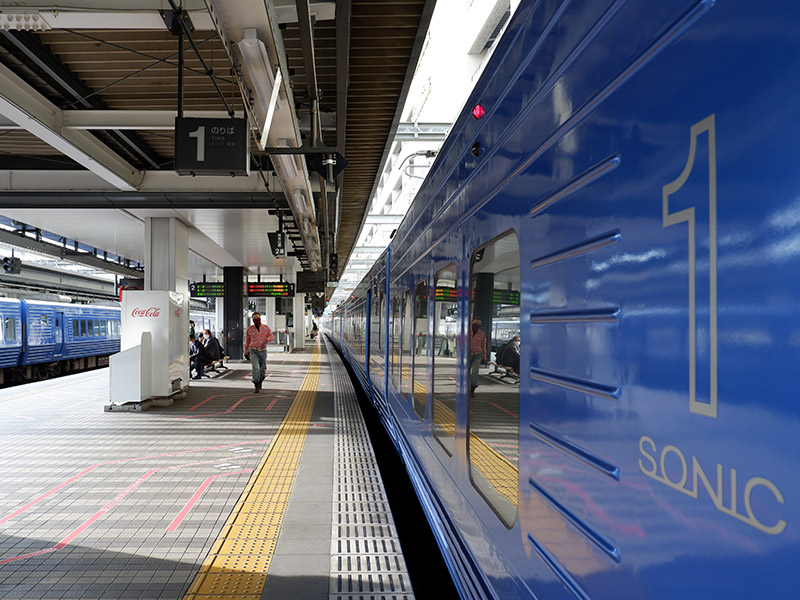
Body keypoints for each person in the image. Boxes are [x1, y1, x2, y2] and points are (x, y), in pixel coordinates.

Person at [244, 312, 274, 393]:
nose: (256, 321)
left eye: (257, 319)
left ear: (260, 319)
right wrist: (245, 351)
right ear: (252, 320)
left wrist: (268, 339)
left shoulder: (265, 328)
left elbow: (271, 336)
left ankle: (261, 380)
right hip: (253, 350)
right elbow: (247, 341)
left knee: (263, 368)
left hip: (263, 350)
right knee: (255, 368)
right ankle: (256, 383)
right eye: (254, 319)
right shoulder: (250, 329)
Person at [469, 318, 487, 396]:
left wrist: (484, 356)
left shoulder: (482, 334)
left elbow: (483, 346)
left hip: (477, 355)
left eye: (478, 325)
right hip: (468, 355)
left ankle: (473, 388)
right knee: (466, 372)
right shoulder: (467, 332)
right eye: (475, 324)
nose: (476, 326)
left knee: (474, 372)